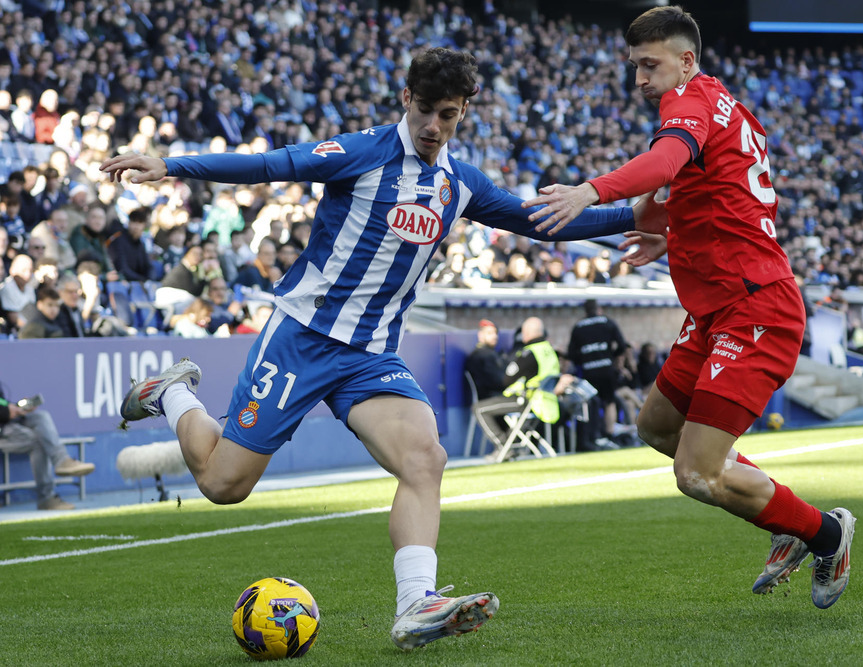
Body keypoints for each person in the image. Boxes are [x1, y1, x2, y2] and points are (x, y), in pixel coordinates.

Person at [101, 47, 665, 650]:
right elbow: (269, 164)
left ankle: (416, 604)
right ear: (406, 100)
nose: (433, 127)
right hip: (303, 339)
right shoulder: (363, 152)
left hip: (370, 355)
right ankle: (176, 392)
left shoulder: (460, 182)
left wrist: (637, 214)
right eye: (425, 111)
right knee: (222, 484)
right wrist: (172, 165)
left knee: (426, 459)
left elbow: (534, 220)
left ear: (464, 112)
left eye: (447, 116)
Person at [523, 7, 856, 609]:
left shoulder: (689, 102)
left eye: (650, 65)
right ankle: (783, 516)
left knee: (696, 475)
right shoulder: (724, 104)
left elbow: (667, 162)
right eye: (634, 68)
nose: (641, 80)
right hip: (718, 309)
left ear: (687, 59)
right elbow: (722, 195)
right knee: (655, 428)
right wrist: (670, 232)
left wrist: (588, 191)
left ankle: (825, 533)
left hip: (755, 309)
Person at [471, 316, 575, 461]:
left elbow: (506, 380)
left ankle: (504, 447)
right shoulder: (549, 350)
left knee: (478, 408)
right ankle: (510, 445)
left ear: (525, 333)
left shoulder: (529, 353)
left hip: (529, 401)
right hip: (548, 403)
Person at [0, 380, 94, 510]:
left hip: (6, 422)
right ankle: (47, 498)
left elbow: (1, 402)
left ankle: (62, 461)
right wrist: (5, 412)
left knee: (41, 417)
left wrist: (16, 407)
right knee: (39, 441)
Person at [566, 299, 628, 446]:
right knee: (609, 402)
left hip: (588, 371)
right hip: (606, 369)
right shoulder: (608, 322)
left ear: (585, 311)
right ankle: (609, 433)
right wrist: (612, 357)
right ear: (598, 309)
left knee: (591, 403)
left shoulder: (578, 326)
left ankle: (594, 435)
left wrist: (583, 361)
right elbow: (622, 345)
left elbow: (571, 353)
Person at [464, 319, 506, 400]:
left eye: (495, 333)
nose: (495, 336)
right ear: (480, 335)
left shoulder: (489, 353)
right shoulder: (483, 355)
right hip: (491, 398)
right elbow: (498, 381)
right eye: (490, 333)